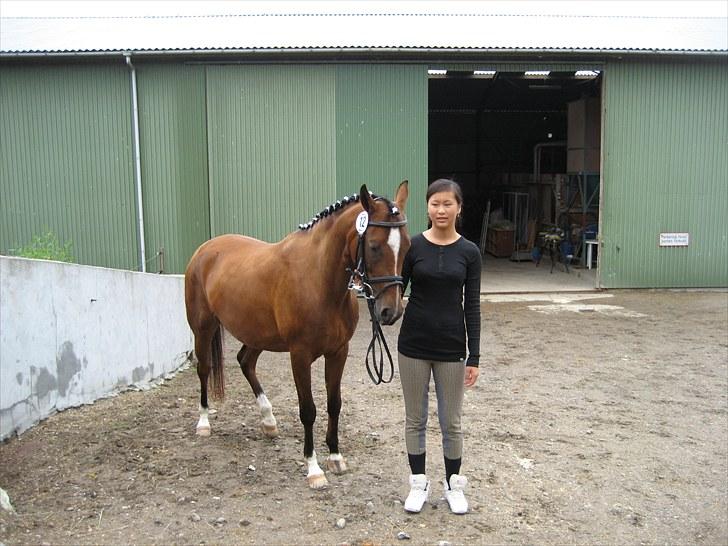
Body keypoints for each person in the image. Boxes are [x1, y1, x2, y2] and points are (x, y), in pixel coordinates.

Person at [397, 178, 482, 515]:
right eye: (435, 203)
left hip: (451, 348)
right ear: (427, 207)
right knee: (415, 419)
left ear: (459, 208)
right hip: (413, 345)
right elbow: (395, 289)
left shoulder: (470, 253)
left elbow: (472, 306)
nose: (441, 210)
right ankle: (418, 482)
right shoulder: (413, 247)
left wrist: (474, 355)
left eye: (448, 203)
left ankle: (452, 484)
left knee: (452, 421)